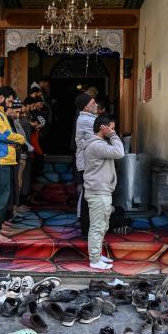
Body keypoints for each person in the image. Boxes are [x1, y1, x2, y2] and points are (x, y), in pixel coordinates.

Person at [0, 86, 26, 242]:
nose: (9, 104)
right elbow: (4, 135)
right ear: (1, 98)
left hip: (4, 159)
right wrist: (21, 139)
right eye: (8, 101)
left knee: (4, 195)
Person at [82, 115, 124, 270]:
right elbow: (120, 153)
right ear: (103, 127)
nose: (113, 131)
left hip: (102, 191)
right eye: (111, 128)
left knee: (102, 226)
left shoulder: (99, 144)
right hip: (98, 192)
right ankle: (94, 259)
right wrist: (113, 136)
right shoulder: (96, 145)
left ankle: (97, 255)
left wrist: (111, 135)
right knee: (97, 227)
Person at [74, 92, 98, 237]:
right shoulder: (86, 120)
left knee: (87, 194)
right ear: (85, 107)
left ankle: (86, 226)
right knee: (88, 195)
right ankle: (86, 228)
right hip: (87, 162)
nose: (96, 105)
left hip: (88, 161)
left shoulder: (89, 118)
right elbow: (96, 139)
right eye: (92, 103)